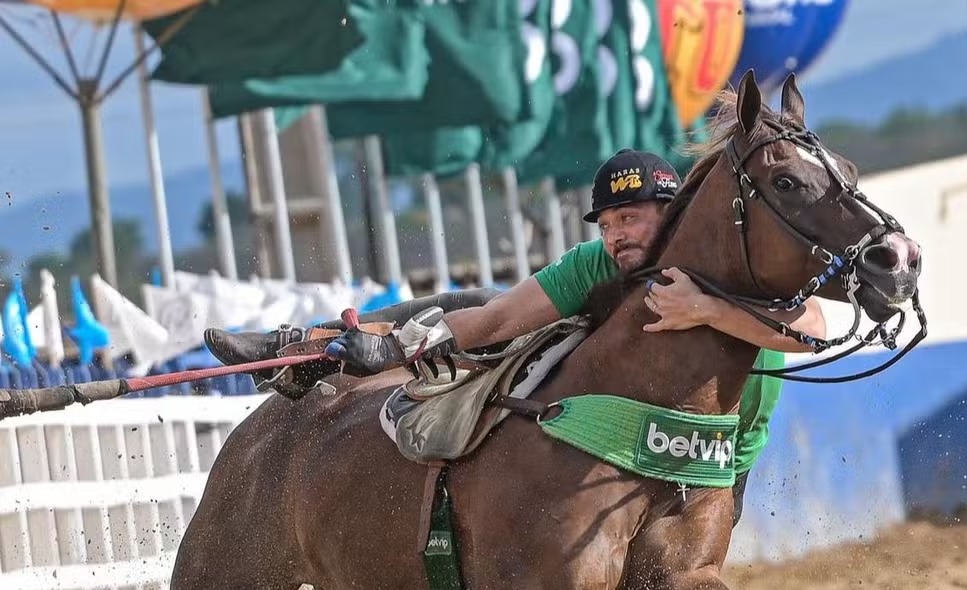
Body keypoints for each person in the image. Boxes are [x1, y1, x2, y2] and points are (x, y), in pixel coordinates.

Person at [205, 149, 827, 524]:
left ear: (674, 214)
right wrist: (392, 350)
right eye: (607, 223)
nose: (615, 236)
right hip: (625, 456)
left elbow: (812, 332)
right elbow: (495, 323)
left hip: (720, 468)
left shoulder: (731, 267)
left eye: (630, 217)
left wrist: (707, 309)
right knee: (472, 303)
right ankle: (303, 346)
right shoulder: (598, 265)